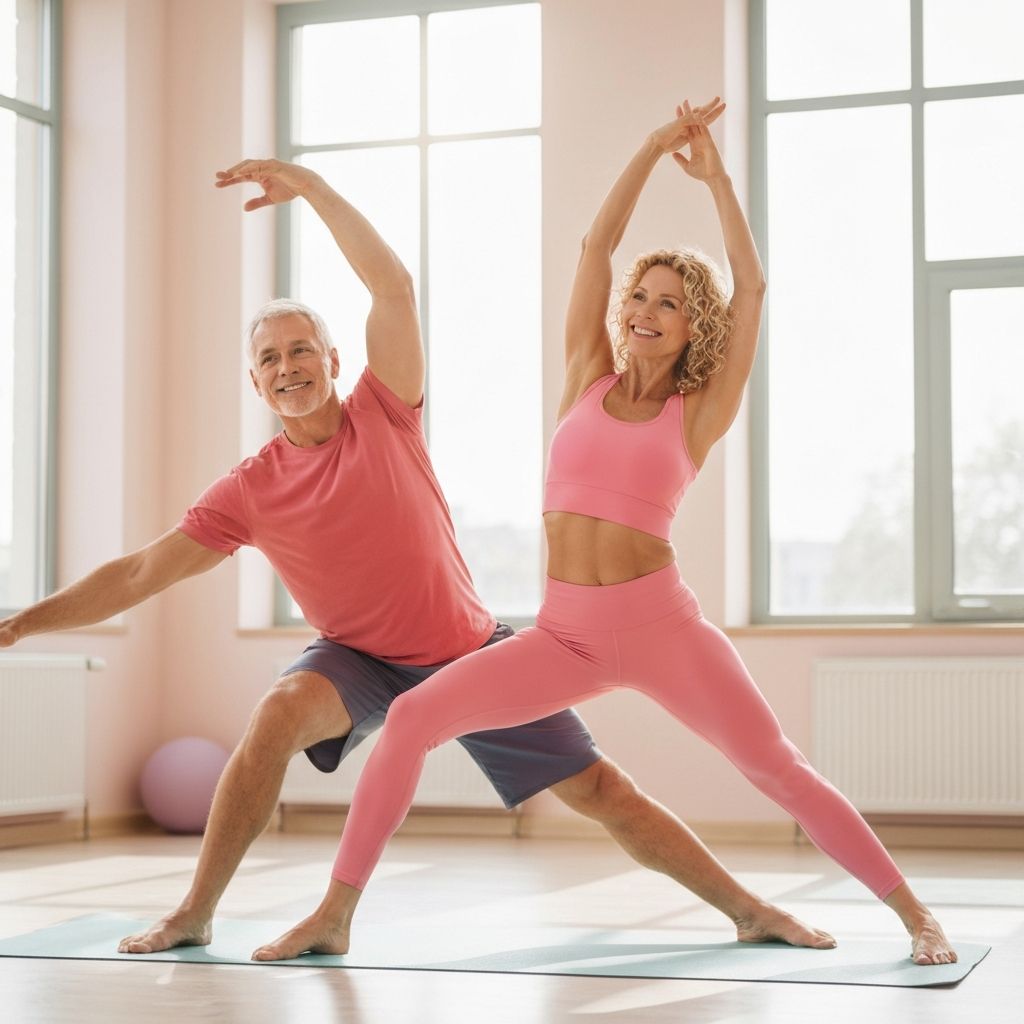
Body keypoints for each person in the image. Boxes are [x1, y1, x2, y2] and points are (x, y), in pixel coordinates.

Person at [0, 143, 834, 958]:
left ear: (333, 360)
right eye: (269, 359)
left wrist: (312, 187)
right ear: (255, 384)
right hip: (357, 660)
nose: (288, 367)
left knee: (602, 791)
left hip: (469, 649)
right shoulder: (248, 490)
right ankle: (195, 912)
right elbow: (141, 571)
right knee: (277, 716)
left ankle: (750, 909)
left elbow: (391, 285)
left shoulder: (386, 409)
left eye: (301, 349)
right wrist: (23, 623)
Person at [249, 100, 959, 967]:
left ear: (696, 324)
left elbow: (752, 286)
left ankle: (916, 915)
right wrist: (653, 145)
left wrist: (718, 182)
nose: (647, 310)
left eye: (670, 303)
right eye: (641, 297)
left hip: (662, 628)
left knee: (776, 767)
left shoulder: (699, 411)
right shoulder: (587, 374)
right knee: (411, 718)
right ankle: (335, 915)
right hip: (567, 637)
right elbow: (595, 247)